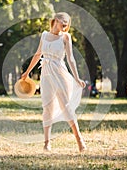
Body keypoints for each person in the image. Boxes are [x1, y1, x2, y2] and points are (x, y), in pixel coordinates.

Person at [21, 12, 87, 152]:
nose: (64, 28)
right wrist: (27, 73)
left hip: (60, 74)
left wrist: (77, 77)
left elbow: (71, 59)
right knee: (47, 107)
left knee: (65, 106)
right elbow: (38, 54)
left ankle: (79, 140)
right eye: (63, 24)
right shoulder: (44, 35)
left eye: (66, 26)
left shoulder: (65, 37)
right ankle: (46, 143)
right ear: (56, 21)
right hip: (46, 75)